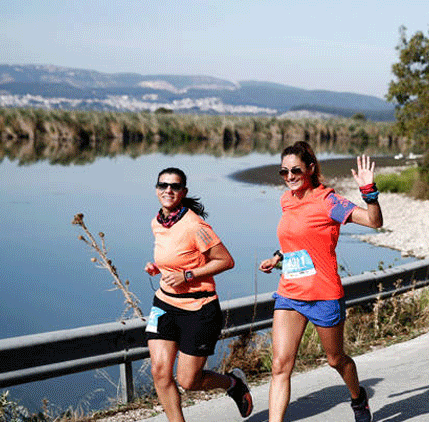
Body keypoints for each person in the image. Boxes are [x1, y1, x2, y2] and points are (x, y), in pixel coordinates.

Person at [258, 142, 382, 422]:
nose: (289, 176)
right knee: (280, 366)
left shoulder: (328, 201)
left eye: (295, 170)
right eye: (284, 171)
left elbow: (374, 222)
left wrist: (369, 193)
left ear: (310, 169)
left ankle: (358, 398)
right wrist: (278, 257)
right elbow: (297, 238)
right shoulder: (286, 199)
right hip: (289, 292)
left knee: (336, 359)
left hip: (323, 294)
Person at [144, 167, 253, 421]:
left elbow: (226, 260)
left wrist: (188, 276)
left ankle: (233, 384)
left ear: (184, 192)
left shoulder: (195, 224)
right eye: (163, 185)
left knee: (188, 381)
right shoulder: (157, 222)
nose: (168, 190)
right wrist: (158, 267)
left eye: (174, 186)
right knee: (160, 372)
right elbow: (177, 256)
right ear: (156, 189)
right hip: (164, 304)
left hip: (199, 308)